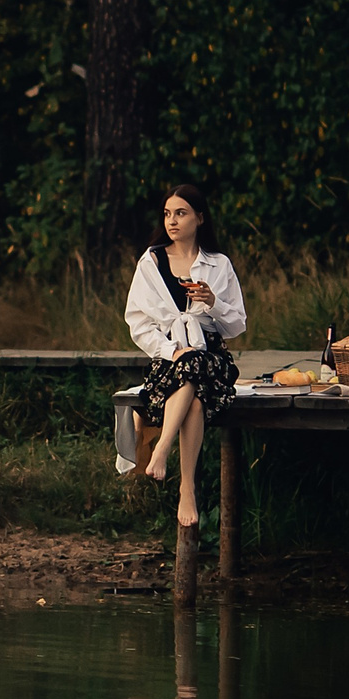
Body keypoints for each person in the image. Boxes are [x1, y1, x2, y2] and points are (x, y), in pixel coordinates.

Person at [121, 185, 247, 538]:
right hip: (169, 357)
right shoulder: (151, 261)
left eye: (181, 213)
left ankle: (162, 449)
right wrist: (171, 351)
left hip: (212, 359)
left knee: (197, 364)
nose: (172, 220)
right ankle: (186, 489)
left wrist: (212, 302)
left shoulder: (219, 265)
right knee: (192, 401)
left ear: (200, 218)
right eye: (167, 214)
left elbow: (236, 325)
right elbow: (138, 323)